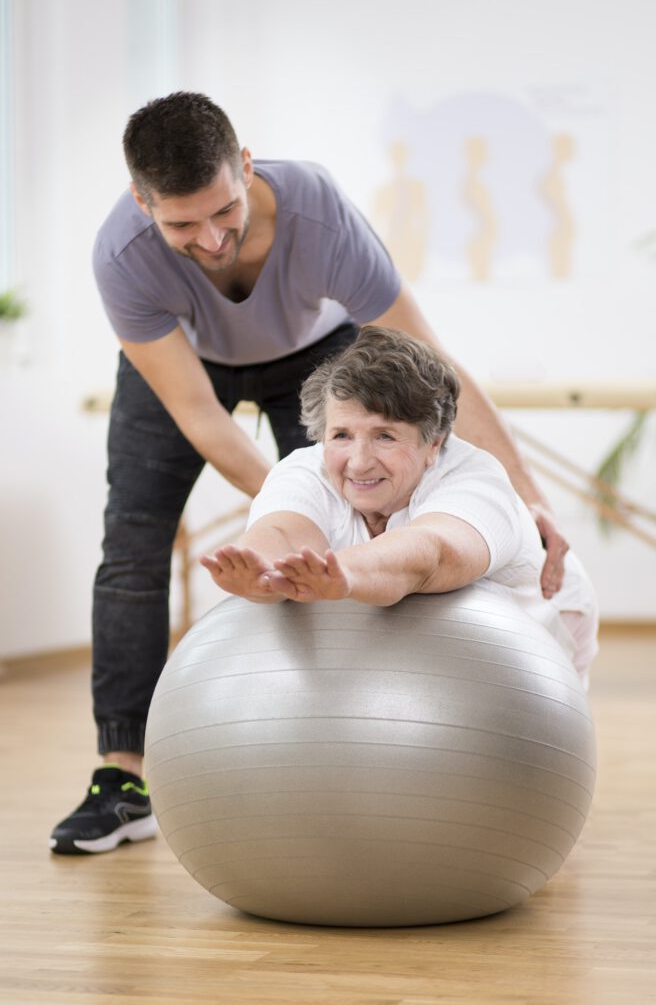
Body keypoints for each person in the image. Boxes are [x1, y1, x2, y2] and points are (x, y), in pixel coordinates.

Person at [50, 91, 572, 855]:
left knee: (361, 532)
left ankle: (356, 731)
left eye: (224, 210)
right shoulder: (122, 254)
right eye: (181, 225)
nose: (211, 237)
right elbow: (201, 419)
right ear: (142, 203)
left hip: (314, 354)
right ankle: (121, 780)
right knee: (131, 541)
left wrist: (528, 498)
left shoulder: (319, 215)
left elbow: (433, 366)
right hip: (187, 365)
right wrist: (298, 498)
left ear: (246, 167)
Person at [201, 327, 599, 678]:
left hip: (542, 627)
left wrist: (347, 572)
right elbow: (282, 531)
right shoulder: (307, 470)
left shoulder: (475, 479)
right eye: (341, 435)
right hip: (415, 644)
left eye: (385, 436)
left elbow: (430, 554)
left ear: (435, 442)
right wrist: (263, 573)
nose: (358, 461)